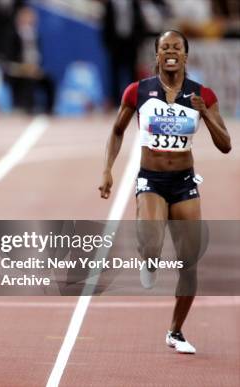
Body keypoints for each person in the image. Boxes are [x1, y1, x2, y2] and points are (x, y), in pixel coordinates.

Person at [99, 30, 231, 354]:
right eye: (164, 47)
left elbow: (226, 145)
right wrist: (107, 170)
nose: (170, 52)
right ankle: (148, 255)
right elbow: (116, 131)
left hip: (184, 181)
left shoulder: (203, 95)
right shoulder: (138, 91)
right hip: (152, 180)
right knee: (153, 242)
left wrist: (205, 114)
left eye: (176, 47)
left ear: (186, 55)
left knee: (190, 264)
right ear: (156, 55)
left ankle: (175, 330)